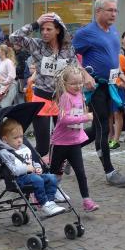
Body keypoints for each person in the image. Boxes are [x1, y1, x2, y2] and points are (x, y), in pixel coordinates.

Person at [72, 0, 125, 187]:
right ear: (98, 11)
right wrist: (85, 75)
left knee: (98, 128)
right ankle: (109, 171)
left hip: (110, 86)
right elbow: (69, 55)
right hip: (94, 87)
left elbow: (114, 56)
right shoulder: (85, 32)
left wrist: (121, 74)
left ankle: (65, 150)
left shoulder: (113, 31)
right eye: (110, 10)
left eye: (115, 10)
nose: (114, 14)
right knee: (104, 128)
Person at [9, 13, 78, 159]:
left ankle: (57, 166)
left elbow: (74, 72)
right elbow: (13, 38)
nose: (44, 32)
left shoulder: (68, 49)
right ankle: (26, 162)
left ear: (58, 30)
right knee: (42, 147)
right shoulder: (37, 45)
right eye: (42, 29)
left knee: (63, 141)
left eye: (49, 29)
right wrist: (35, 24)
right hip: (41, 99)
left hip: (61, 99)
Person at [49, 65, 99, 212]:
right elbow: (64, 119)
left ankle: (87, 200)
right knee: (55, 173)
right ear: (65, 84)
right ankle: (46, 197)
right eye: (73, 83)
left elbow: (79, 113)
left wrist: (84, 115)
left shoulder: (80, 95)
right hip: (60, 142)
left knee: (81, 172)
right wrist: (85, 118)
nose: (78, 86)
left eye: (80, 83)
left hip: (74, 142)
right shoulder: (65, 97)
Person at [0, 118, 66, 217]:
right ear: (5, 140)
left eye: (21, 137)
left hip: (31, 176)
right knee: (37, 179)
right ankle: (44, 203)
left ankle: (50, 202)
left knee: (52, 177)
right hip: (17, 180)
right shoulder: (5, 153)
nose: (20, 140)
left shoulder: (24, 148)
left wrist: (37, 167)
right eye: (15, 138)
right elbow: (12, 170)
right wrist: (27, 168)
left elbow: (32, 161)